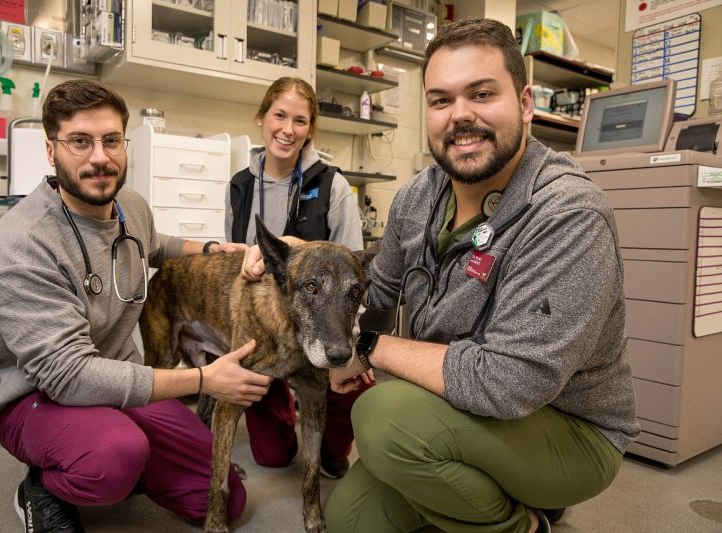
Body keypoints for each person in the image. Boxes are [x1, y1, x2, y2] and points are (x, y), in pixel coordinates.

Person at [241, 18, 639, 533]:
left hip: (566, 426)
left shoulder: (566, 214)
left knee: (381, 418)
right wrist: (308, 260)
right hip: (455, 406)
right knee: (351, 520)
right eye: (441, 100)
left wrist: (364, 348)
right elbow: (378, 290)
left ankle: (526, 524)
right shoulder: (420, 196)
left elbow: (511, 382)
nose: (461, 116)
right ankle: (495, 488)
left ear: (524, 102)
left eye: (481, 93)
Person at [0, 79, 272, 532]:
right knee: (115, 457)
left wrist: (216, 248)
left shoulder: (128, 204)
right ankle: (42, 487)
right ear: (51, 152)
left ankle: (123, 462)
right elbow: (69, 377)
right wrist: (204, 379)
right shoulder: (18, 247)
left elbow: (155, 245)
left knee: (221, 497)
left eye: (111, 140)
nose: (99, 157)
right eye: (79, 141)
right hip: (34, 397)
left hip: (115, 377)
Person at [224, 76, 370, 479]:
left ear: (310, 129)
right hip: (268, 335)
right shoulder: (239, 186)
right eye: (280, 116)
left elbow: (355, 275)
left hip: (328, 326)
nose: (288, 130)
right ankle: (286, 403)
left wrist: (350, 347)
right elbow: (237, 260)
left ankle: (330, 440)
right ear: (261, 118)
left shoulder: (332, 185)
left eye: (300, 121)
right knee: (273, 456)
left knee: (352, 393)